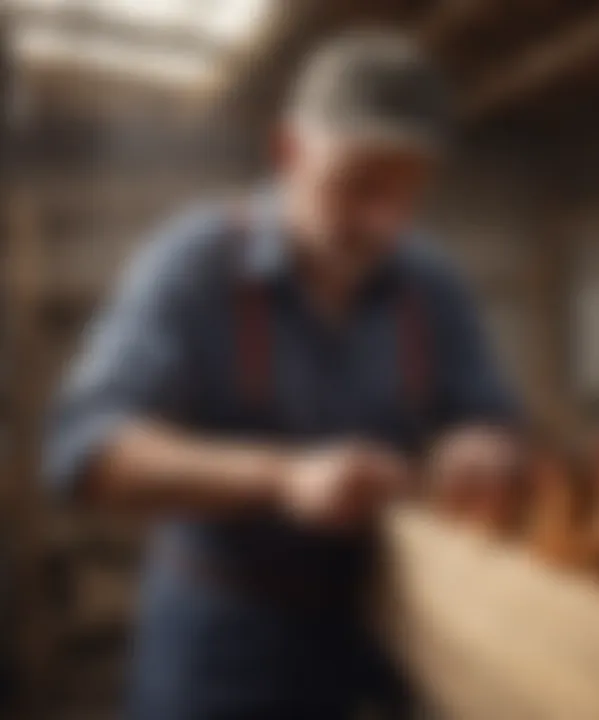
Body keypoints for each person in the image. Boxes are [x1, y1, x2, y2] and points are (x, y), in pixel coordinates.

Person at [44, 31, 520, 720]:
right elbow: (86, 451)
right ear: (289, 151)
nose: (384, 221)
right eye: (357, 185)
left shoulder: (430, 284)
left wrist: (480, 444)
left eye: (408, 192)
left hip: (383, 630)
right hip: (222, 644)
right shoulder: (194, 265)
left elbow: (489, 412)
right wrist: (282, 478)